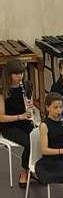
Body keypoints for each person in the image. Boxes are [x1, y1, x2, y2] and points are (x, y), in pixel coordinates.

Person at [0, 59, 35, 187]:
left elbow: (29, 107)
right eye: (16, 74)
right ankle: (24, 171)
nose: (20, 77)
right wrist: (21, 116)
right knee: (29, 143)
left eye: (21, 73)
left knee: (39, 139)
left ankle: (33, 169)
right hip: (9, 126)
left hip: (25, 122)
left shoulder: (27, 86)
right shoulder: (3, 90)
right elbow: (1, 118)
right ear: (9, 74)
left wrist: (30, 108)